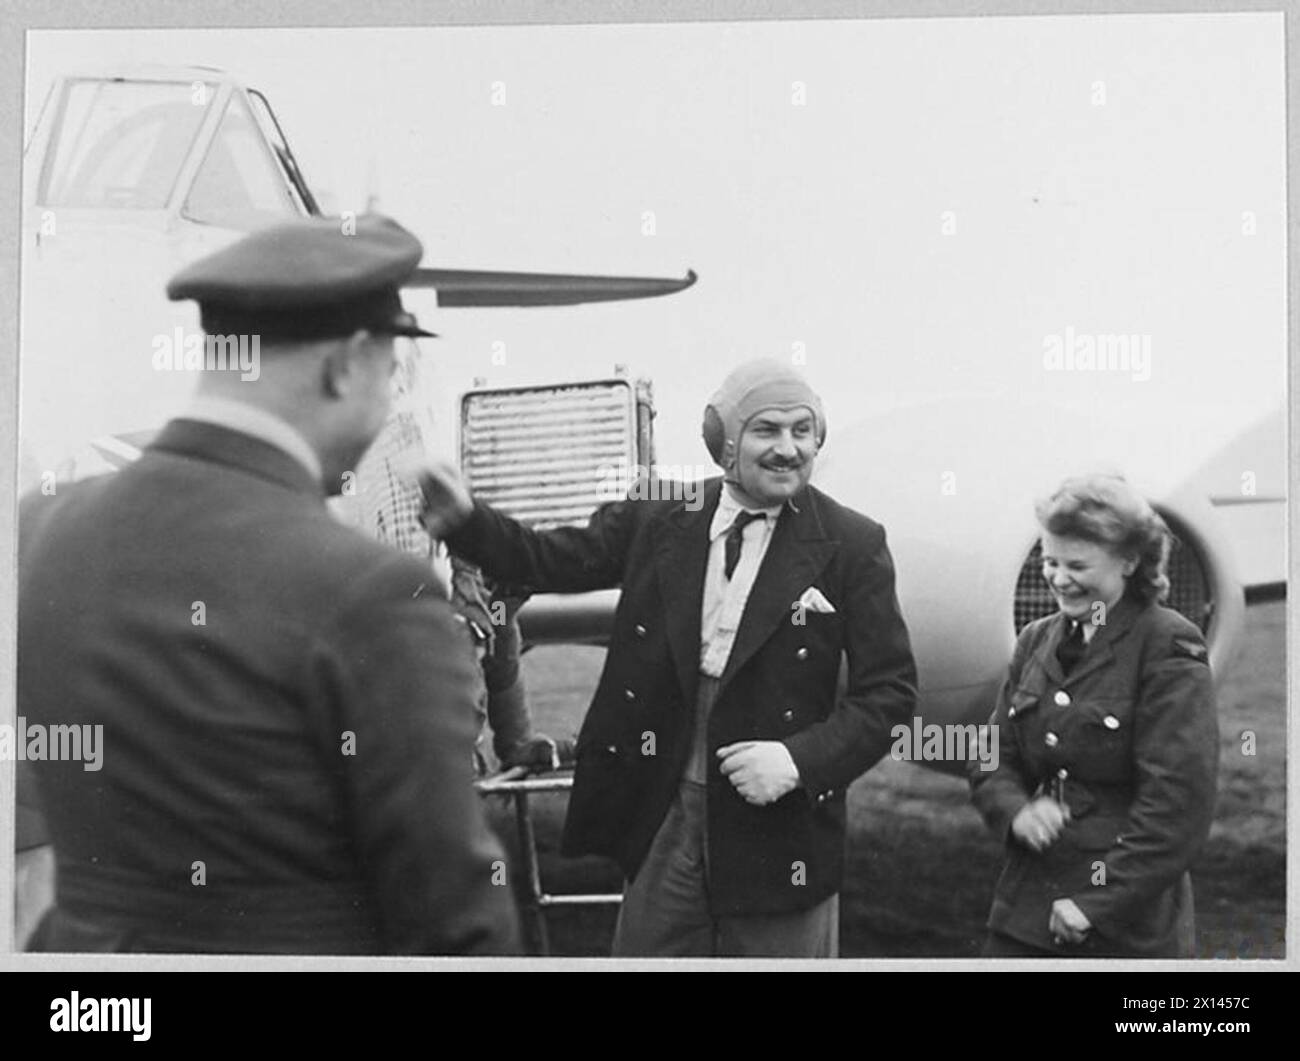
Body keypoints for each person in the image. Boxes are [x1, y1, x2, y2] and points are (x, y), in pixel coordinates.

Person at [18, 214, 519, 954]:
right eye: (389, 372)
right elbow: (458, 927)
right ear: (344, 364)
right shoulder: (374, 593)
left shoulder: (41, 529)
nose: (388, 401)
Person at [416, 359, 918, 957]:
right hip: (664, 813)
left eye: (803, 431)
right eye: (767, 430)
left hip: (781, 829)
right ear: (722, 442)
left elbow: (890, 694)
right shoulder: (661, 516)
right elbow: (547, 559)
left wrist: (797, 761)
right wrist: (466, 522)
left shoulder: (853, 543)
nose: (789, 449)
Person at [970, 474, 1219, 957]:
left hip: (1125, 924)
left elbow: (1178, 805)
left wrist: (1096, 905)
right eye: (1049, 562)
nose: (1059, 578)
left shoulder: (1168, 644)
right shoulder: (1036, 639)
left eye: (1077, 565)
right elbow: (991, 756)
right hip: (1027, 910)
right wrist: (1017, 811)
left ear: (1129, 561)